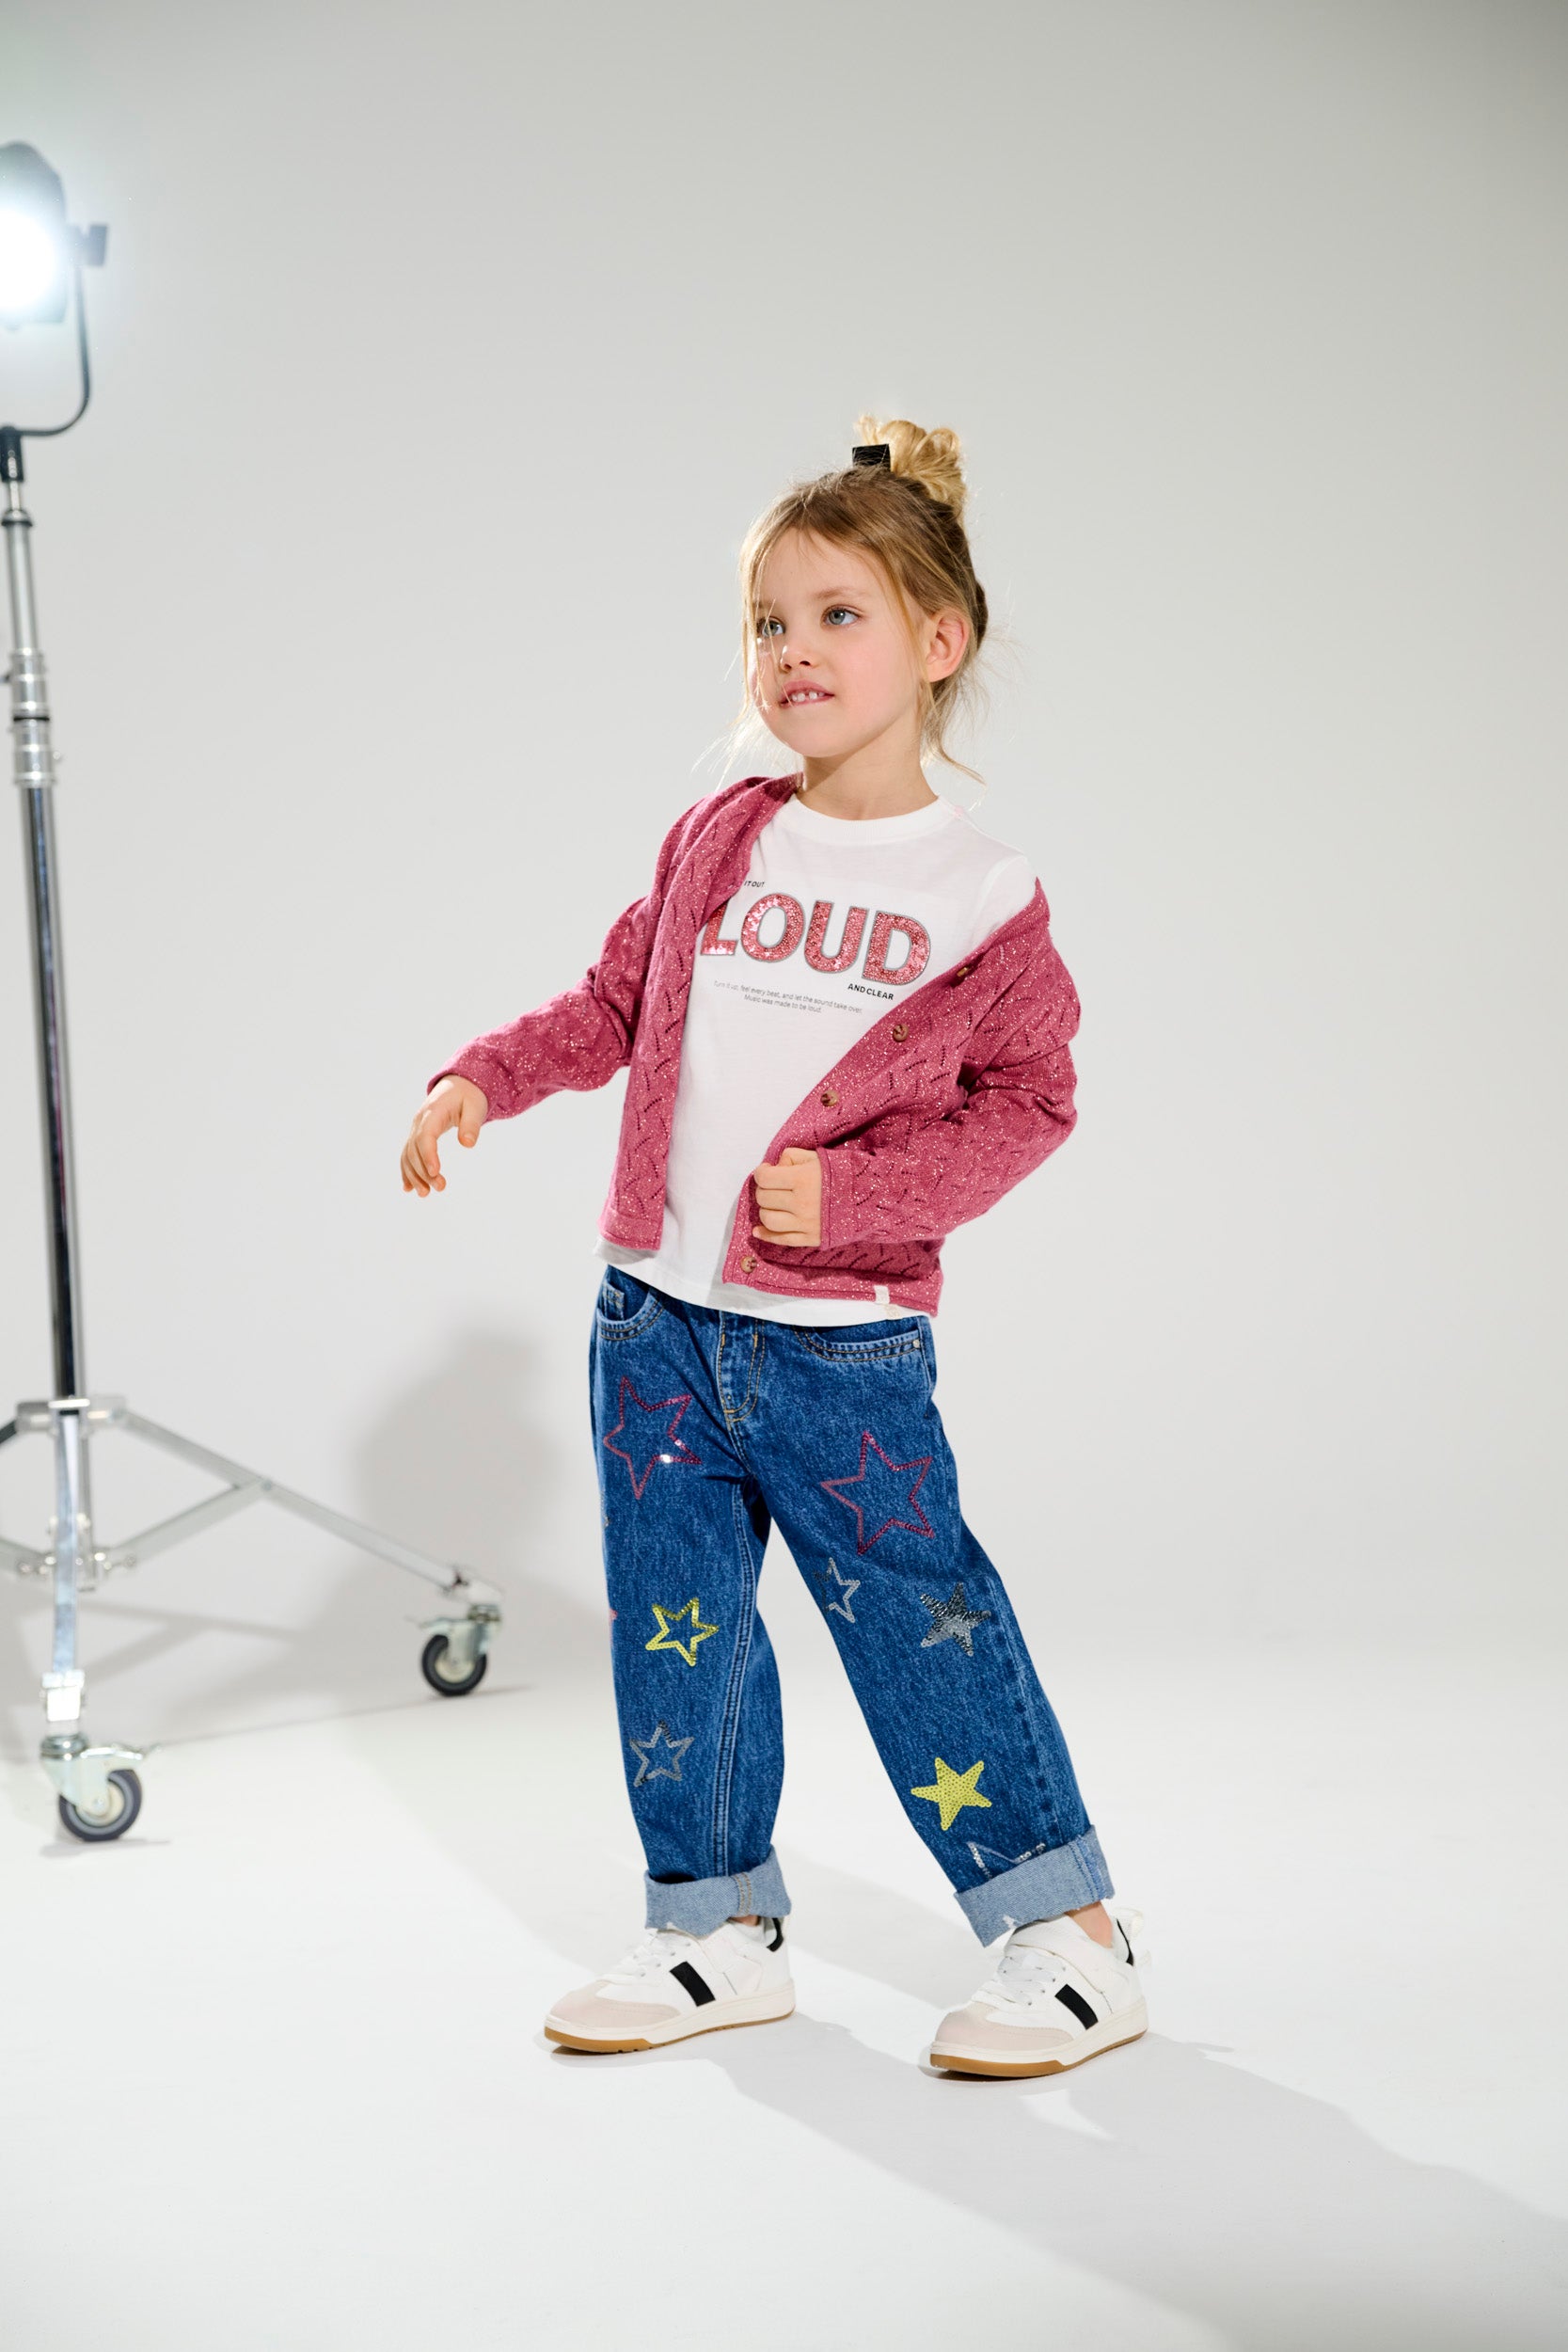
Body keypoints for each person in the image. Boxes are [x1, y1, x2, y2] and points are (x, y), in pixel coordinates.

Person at [401, 418, 1147, 2077]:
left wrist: (865, 1200)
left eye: (837, 615)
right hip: (656, 1320)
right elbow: (613, 1001)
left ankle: (1071, 1938)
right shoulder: (720, 837)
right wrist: (485, 1077)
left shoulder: (981, 894)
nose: (794, 650)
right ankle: (714, 1927)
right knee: (679, 1631)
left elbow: (1032, 1103)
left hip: (837, 1346)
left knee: (921, 1623)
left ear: (938, 642)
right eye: (769, 621)